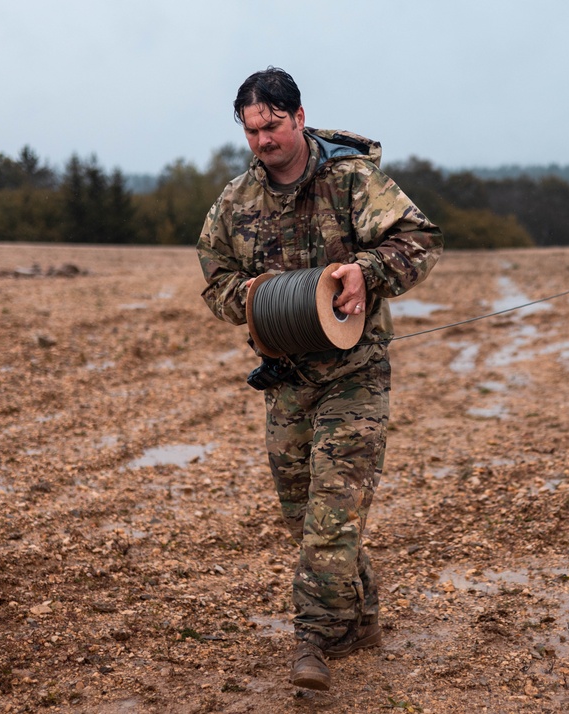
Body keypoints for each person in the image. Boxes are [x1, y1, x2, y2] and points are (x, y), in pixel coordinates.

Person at [196, 67, 442, 691]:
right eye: (251, 131)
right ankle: (359, 616)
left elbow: (419, 239)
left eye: (272, 126)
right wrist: (247, 298)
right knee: (303, 512)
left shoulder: (352, 178)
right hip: (287, 378)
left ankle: (312, 641)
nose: (262, 142)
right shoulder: (235, 203)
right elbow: (216, 282)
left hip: (356, 373)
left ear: (299, 118)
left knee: (332, 514)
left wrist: (367, 270)